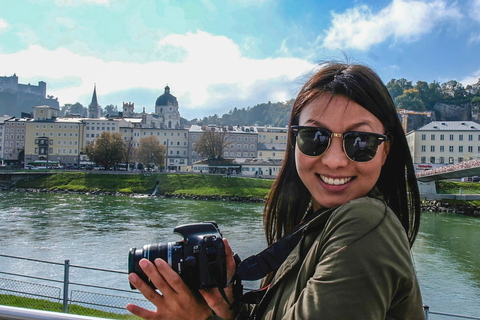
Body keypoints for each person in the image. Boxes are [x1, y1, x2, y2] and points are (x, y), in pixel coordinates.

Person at [126, 62, 425, 319]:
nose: (334, 161)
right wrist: (230, 311)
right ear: (294, 143)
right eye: (314, 137)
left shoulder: (364, 224)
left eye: (361, 141)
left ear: (385, 151)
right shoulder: (317, 225)